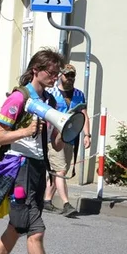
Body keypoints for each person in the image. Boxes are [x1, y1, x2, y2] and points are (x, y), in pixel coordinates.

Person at [0, 49, 79, 254]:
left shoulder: (52, 102)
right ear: (36, 70)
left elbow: (54, 145)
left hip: (36, 169)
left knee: (16, 227)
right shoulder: (18, 97)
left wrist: (67, 131)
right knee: (36, 229)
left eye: (57, 74)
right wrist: (26, 130)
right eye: (51, 73)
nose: (55, 78)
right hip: (18, 167)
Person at [45, 63, 90, 216]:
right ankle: (66, 203)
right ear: (60, 76)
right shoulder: (50, 93)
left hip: (71, 138)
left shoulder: (79, 94)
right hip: (54, 137)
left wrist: (87, 135)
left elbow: (83, 115)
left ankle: (46, 200)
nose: (70, 79)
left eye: (72, 76)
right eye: (67, 75)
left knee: (56, 171)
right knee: (60, 170)